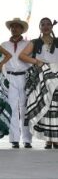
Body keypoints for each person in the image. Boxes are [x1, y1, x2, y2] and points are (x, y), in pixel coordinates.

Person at [19, 17, 58, 149]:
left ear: (51, 27)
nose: (46, 26)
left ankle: (56, 138)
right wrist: (36, 61)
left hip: (56, 74)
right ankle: (48, 139)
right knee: (45, 104)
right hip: (42, 75)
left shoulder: (57, 41)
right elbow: (22, 56)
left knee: (55, 106)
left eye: (48, 24)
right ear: (39, 27)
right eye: (43, 24)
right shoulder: (34, 42)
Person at [1, 18, 32, 149]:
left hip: (24, 76)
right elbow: (2, 62)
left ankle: (27, 139)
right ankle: (14, 138)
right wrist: (5, 77)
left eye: (17, 27)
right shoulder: (4, 45)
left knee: (25, 107)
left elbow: (31, 59)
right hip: (10, 77)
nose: (14, 29)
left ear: (22, 29)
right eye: (12, 27)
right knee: (12, 107)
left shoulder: (28, 44)